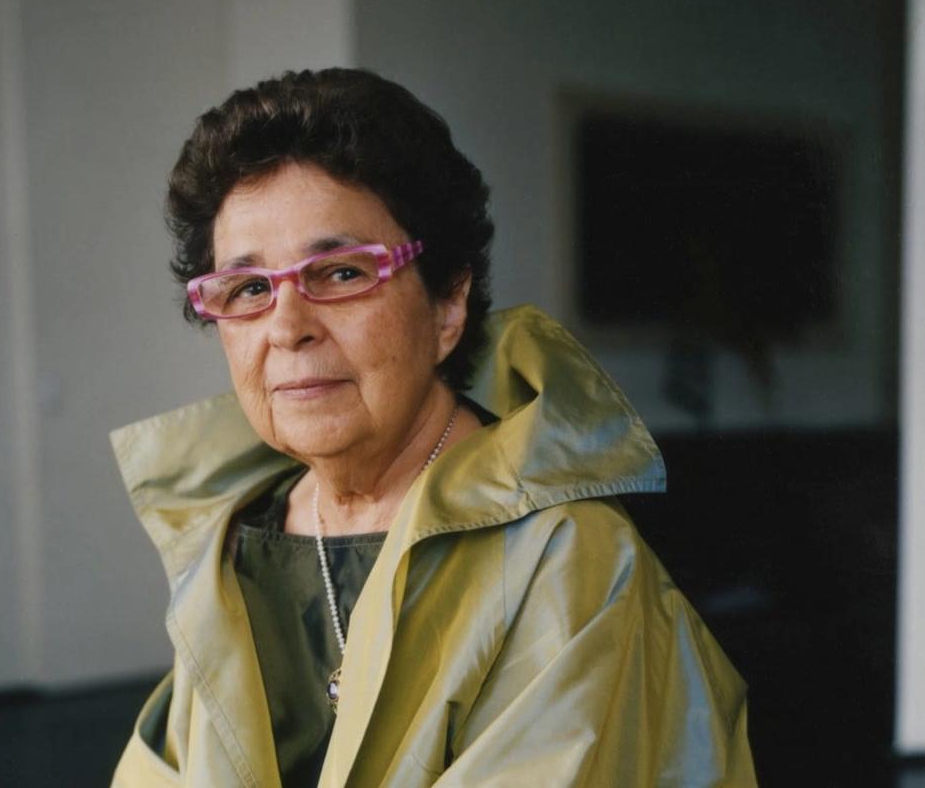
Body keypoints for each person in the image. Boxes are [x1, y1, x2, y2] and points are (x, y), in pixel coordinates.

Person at [109, 68, 756, 787]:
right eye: (249, 287)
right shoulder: (230, 547)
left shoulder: (569, 559)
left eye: (341, 272)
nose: (288, 327)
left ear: (448, 303)